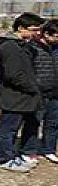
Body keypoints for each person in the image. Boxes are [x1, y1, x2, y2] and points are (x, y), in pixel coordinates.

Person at [0, 12, 44, 172]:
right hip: (15, 96)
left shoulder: (23, 45)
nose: (37, 33)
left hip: (24, 96)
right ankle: (4, 159)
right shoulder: (10, 47)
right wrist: (33, 87)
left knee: (18, 126)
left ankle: (11, 154)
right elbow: (13, 75)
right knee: (8, 129)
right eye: (34, 29)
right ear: (21, 28)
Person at [24, 20, 58, 164]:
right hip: (38, 92)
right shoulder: (32, 48)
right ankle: (28, 150)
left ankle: (48, 149)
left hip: (56, 92)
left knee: (53, 123)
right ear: (46, 34)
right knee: (33, 122)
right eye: (56, 36)